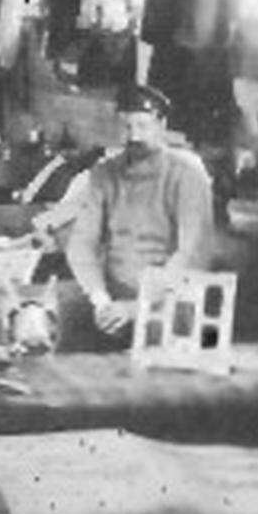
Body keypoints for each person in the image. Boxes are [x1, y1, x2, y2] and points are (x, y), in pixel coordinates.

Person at [64, 85, 215, 349]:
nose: (134, 135)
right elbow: (81, 243)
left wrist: (136, 307)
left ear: (162, 125)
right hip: (114, 297)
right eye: (126, 126)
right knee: (53, 319)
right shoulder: (103, 174)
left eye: (143, 126)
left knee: (149, 356)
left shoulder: (186, 173)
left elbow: (192, 254)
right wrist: (101, 300)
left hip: (170, 299)